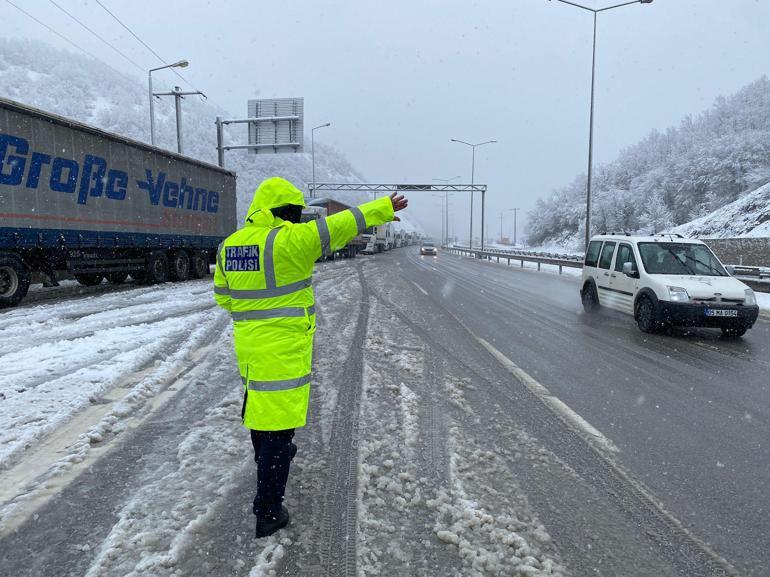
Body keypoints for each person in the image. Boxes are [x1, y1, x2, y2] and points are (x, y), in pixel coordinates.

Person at [213, 177, 408, 538]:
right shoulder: (291, 241)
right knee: (278, 425)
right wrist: (382, 207)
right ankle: (268, 511)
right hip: (283, 349)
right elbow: (339, 224)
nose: (299, 220)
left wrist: (253, 308)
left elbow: (223, 296)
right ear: (285, 212)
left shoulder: (231, 245)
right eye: (294, 213)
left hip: (249, 346)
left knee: (260, 408)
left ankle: (271, 458)